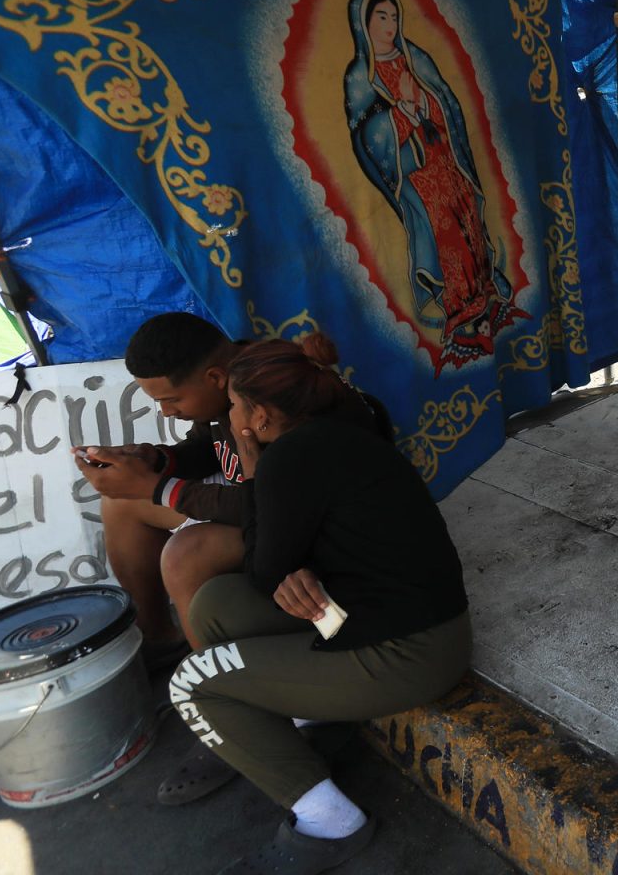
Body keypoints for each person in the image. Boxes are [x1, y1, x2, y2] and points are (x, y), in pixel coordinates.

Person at [172, 333, 470, 872]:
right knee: (216, 602)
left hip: (408, 653)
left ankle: (329, 823)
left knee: (193, 682)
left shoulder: (289, 459)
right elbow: (273, 568)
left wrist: (252, 464)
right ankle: (311, 728)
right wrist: (287, 567)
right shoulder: (338, 429)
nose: (231, 413)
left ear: (259, 415)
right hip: (384, 618)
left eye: (236, 405)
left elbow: (265, 567)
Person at [344, 0, 523, 371]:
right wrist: (401, 110)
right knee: (446, 239)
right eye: (381, 17)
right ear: (363, 23)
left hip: (447, 162)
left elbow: (446, 103)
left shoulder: (415, 56)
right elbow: (364, 136)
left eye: (394, 17)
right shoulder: (361, 75)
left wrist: (422, 100)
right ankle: (461, 319)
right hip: (415, 173)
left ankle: (483, 304)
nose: (390, 25)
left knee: (470, 227)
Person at [74, 313, 247, 667]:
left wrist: (159, 487)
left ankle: (218, 686)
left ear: (214, 377)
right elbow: (208, 447)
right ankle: (159, 639)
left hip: (302, 523)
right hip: (259, 501)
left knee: (186, 554)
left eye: (172, 400)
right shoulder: (225, 386)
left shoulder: (270, 400)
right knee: (122, 501)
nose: (166, 413)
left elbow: (270, 505)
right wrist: (153, 460)